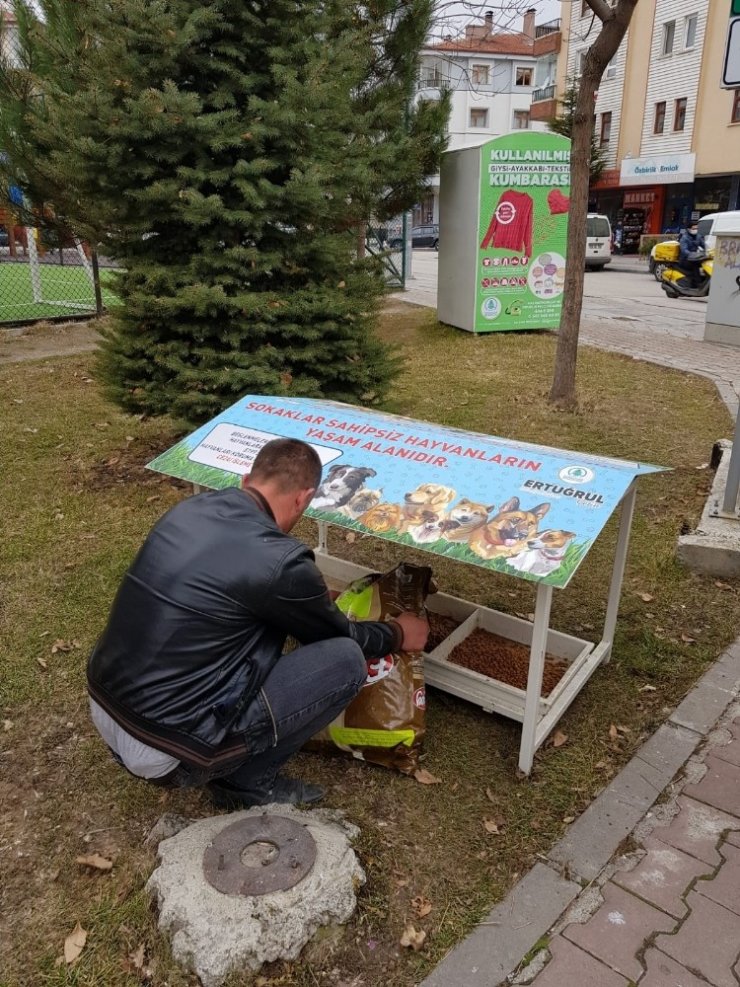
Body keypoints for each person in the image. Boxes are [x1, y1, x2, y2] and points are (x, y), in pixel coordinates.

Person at [87, 438, 429, 808]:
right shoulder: (280, 562)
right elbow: (338, 636)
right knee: (345, 661)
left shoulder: (189, 509)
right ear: (303, 498)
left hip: (107, 707)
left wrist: (309, 598)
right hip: (168, 751)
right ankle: (246, 784)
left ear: (246, 478)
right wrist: (397, 632)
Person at [678, 221, 706, 288]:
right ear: (688, 229)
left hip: (695, 258)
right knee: (695, 266)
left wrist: (708, 251)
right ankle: (697, 283)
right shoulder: (684, 238)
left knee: (704, 264)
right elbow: (684, 250)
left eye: (696, 228)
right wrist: (692, 254)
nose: (695, 230)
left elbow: (704, 245)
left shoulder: (698, 237)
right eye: (693, 228)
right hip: (685, 259)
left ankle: (704, 280)